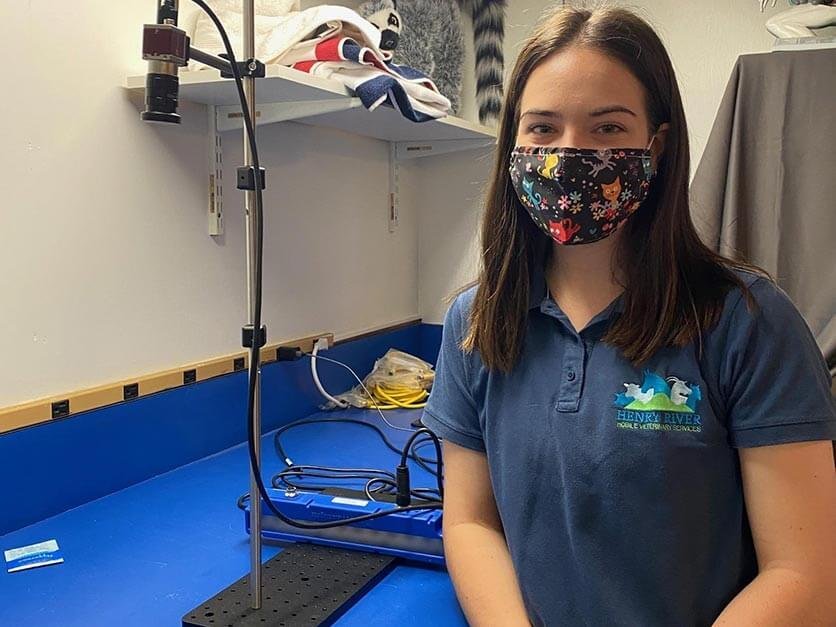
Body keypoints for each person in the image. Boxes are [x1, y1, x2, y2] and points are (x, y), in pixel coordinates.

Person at [420, 6, 836, 626]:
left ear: (657, 145)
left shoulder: (747, 322)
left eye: (609, 129)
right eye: (542, 129)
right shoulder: (476, 323)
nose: (570, 155)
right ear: (513, 146)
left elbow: (805, 575)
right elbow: (471, 520)